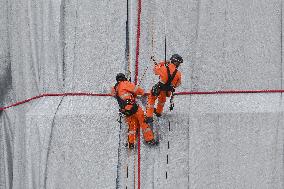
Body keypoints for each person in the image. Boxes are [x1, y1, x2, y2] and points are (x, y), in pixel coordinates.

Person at [111, 73, 157, 149]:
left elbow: (122, 95)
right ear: (123, 78)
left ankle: (131, 143)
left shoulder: (115, 88)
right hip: (133, 107)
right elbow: (137, 90)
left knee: (132, 126)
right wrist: (142, 92)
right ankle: (149, 139)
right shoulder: (125, 83)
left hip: (125, 111)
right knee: (143, 122)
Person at [145, 54, 183, 123]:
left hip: (160, 87)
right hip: (167, 90)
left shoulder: (164, 68)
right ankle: (159, 112)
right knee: (162, 100)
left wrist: (163, 63)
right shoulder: (178, 73)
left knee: (152, 98)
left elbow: (155, 70)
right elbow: (177, 84)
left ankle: (149, 116)